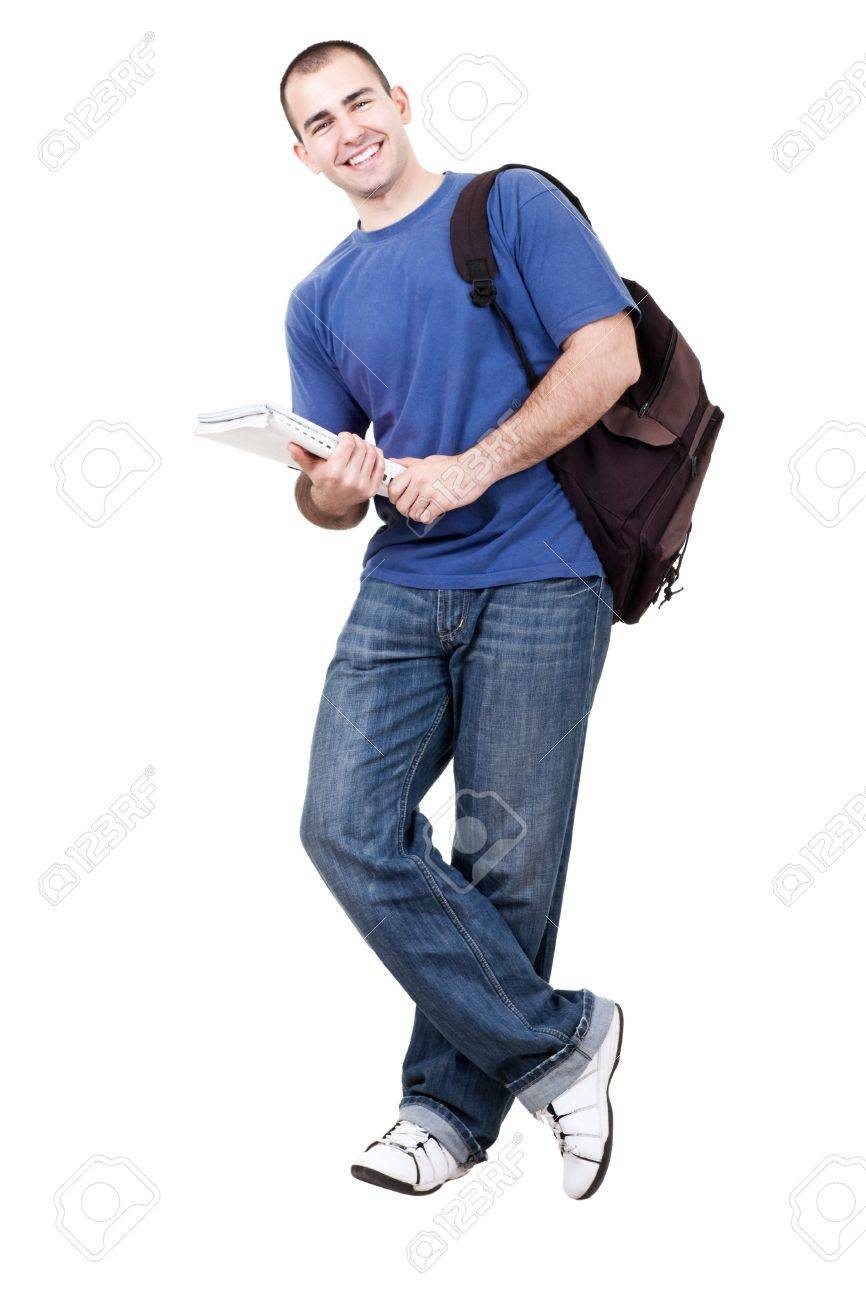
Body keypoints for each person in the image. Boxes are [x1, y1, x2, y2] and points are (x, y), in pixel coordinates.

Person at [280, 39, 640, 1200]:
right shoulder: (316, 300)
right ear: (301, 155)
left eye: (358, 102)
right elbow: (328, 498)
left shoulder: (510, 207)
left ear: (398, 102)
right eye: (319, 122)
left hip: (542, 568)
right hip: (402, 582)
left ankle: (439, 1113)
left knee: (503, 855)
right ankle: (563, 1042)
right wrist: (331, 485)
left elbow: (608, 356)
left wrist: (476, 465)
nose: (348, 130)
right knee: (344, 827)